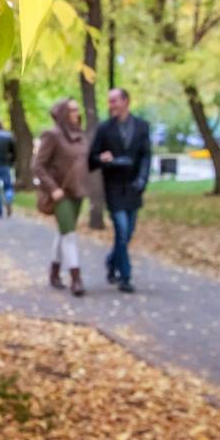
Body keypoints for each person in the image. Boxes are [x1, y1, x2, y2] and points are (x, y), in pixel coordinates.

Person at [89, 88, 151, 293]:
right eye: (109, 102)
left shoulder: (142, 126)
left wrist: (142, 180)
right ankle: (126, 276)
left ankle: (111, 261)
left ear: (126, 101)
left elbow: (146, 157)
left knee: (128, 233)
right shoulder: (104, 129)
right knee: (122, 231)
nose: (111, 105)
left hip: (133, 188)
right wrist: (102, 159)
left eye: (114, 101)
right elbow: (91, 159)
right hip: (114, 188)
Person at [33, 98, 89, 296]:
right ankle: (76, 278)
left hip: (77, 191)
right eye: (72, 110)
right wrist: (52, 188)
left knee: (64, 232)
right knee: (70, 235)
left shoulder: (80, 136)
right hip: (60, 194)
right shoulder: (53, 135)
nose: (76, 113)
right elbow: (38, 166)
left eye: (77, 110)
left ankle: (54, 273)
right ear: (64, 113)